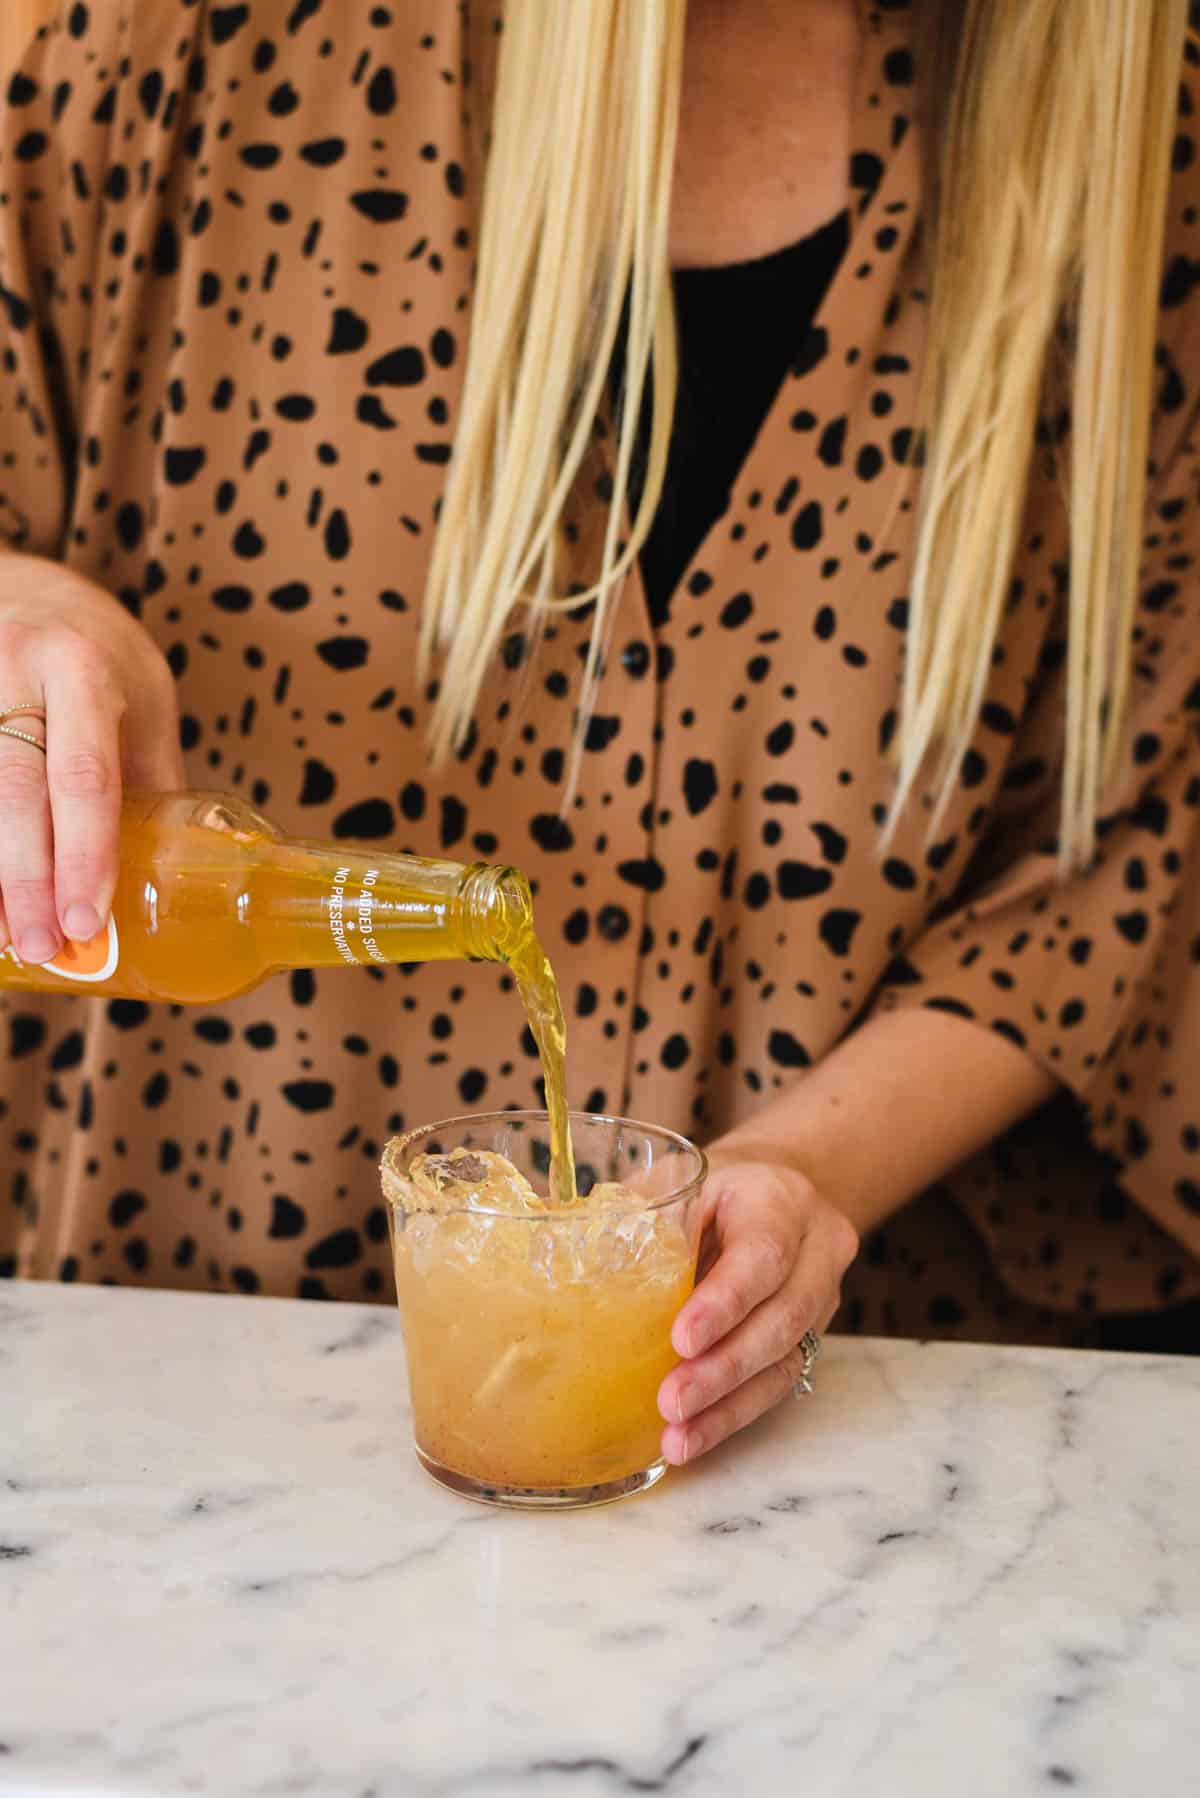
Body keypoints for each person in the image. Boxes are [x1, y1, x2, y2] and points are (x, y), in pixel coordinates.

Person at [0, 0, 1196, 1470]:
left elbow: (1124, 846)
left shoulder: (1141, 158)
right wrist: (35, 618)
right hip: (191, 1419)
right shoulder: (188, 52)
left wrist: (806, 1171)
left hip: (853, 1470)